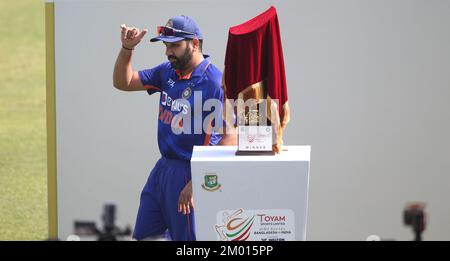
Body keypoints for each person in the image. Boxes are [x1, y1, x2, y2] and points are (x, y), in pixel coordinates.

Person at [113, 15, 227, 241]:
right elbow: (123, 82)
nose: (168, 52)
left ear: (195, 43)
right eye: (166, 46)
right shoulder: (167, 72)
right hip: (162, 169)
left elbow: (229, 139)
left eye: (174, 45)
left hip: (190, 173)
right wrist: (127, 48)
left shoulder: (214, 82)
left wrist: (198, 181)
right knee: (146, 236)